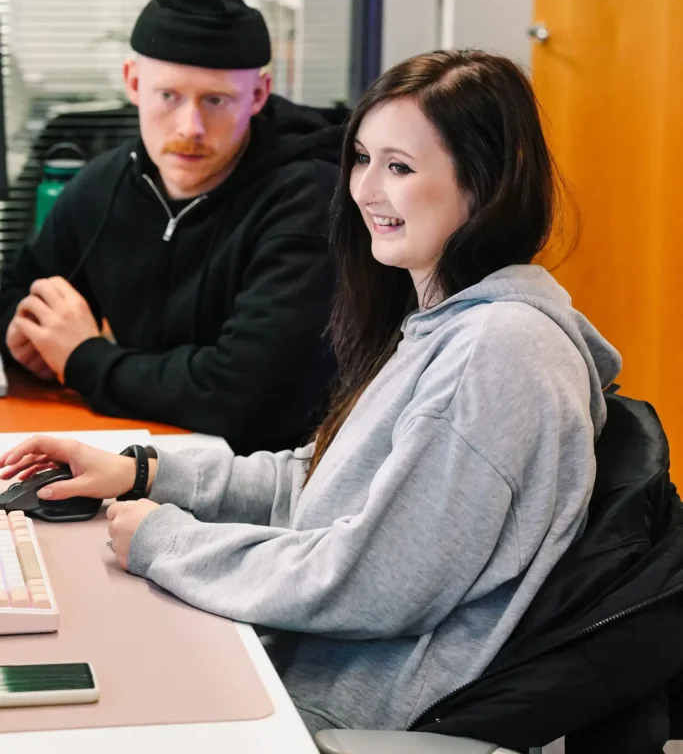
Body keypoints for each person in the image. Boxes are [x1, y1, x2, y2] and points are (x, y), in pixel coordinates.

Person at [0, 50, 621, 734]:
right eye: (361, 158)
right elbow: (322, 484)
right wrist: (142, 470)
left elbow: (369, 582)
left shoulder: (498, 354)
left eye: (400, 167)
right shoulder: (442, 325)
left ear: (484, 186)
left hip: (333, 717)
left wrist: (164, 543)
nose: (365, 190)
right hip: (298, 660)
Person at [0, 0, 341, 452]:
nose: (190, 128)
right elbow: (19, 287)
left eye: (216, 100)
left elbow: (245, 398)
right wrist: (24, 333)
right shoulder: (103, 186)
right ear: (134, 83)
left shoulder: (308, 200)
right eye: (168, 96)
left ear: (259, 95)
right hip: (142, 454)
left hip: (270, 486)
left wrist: (83, 359)